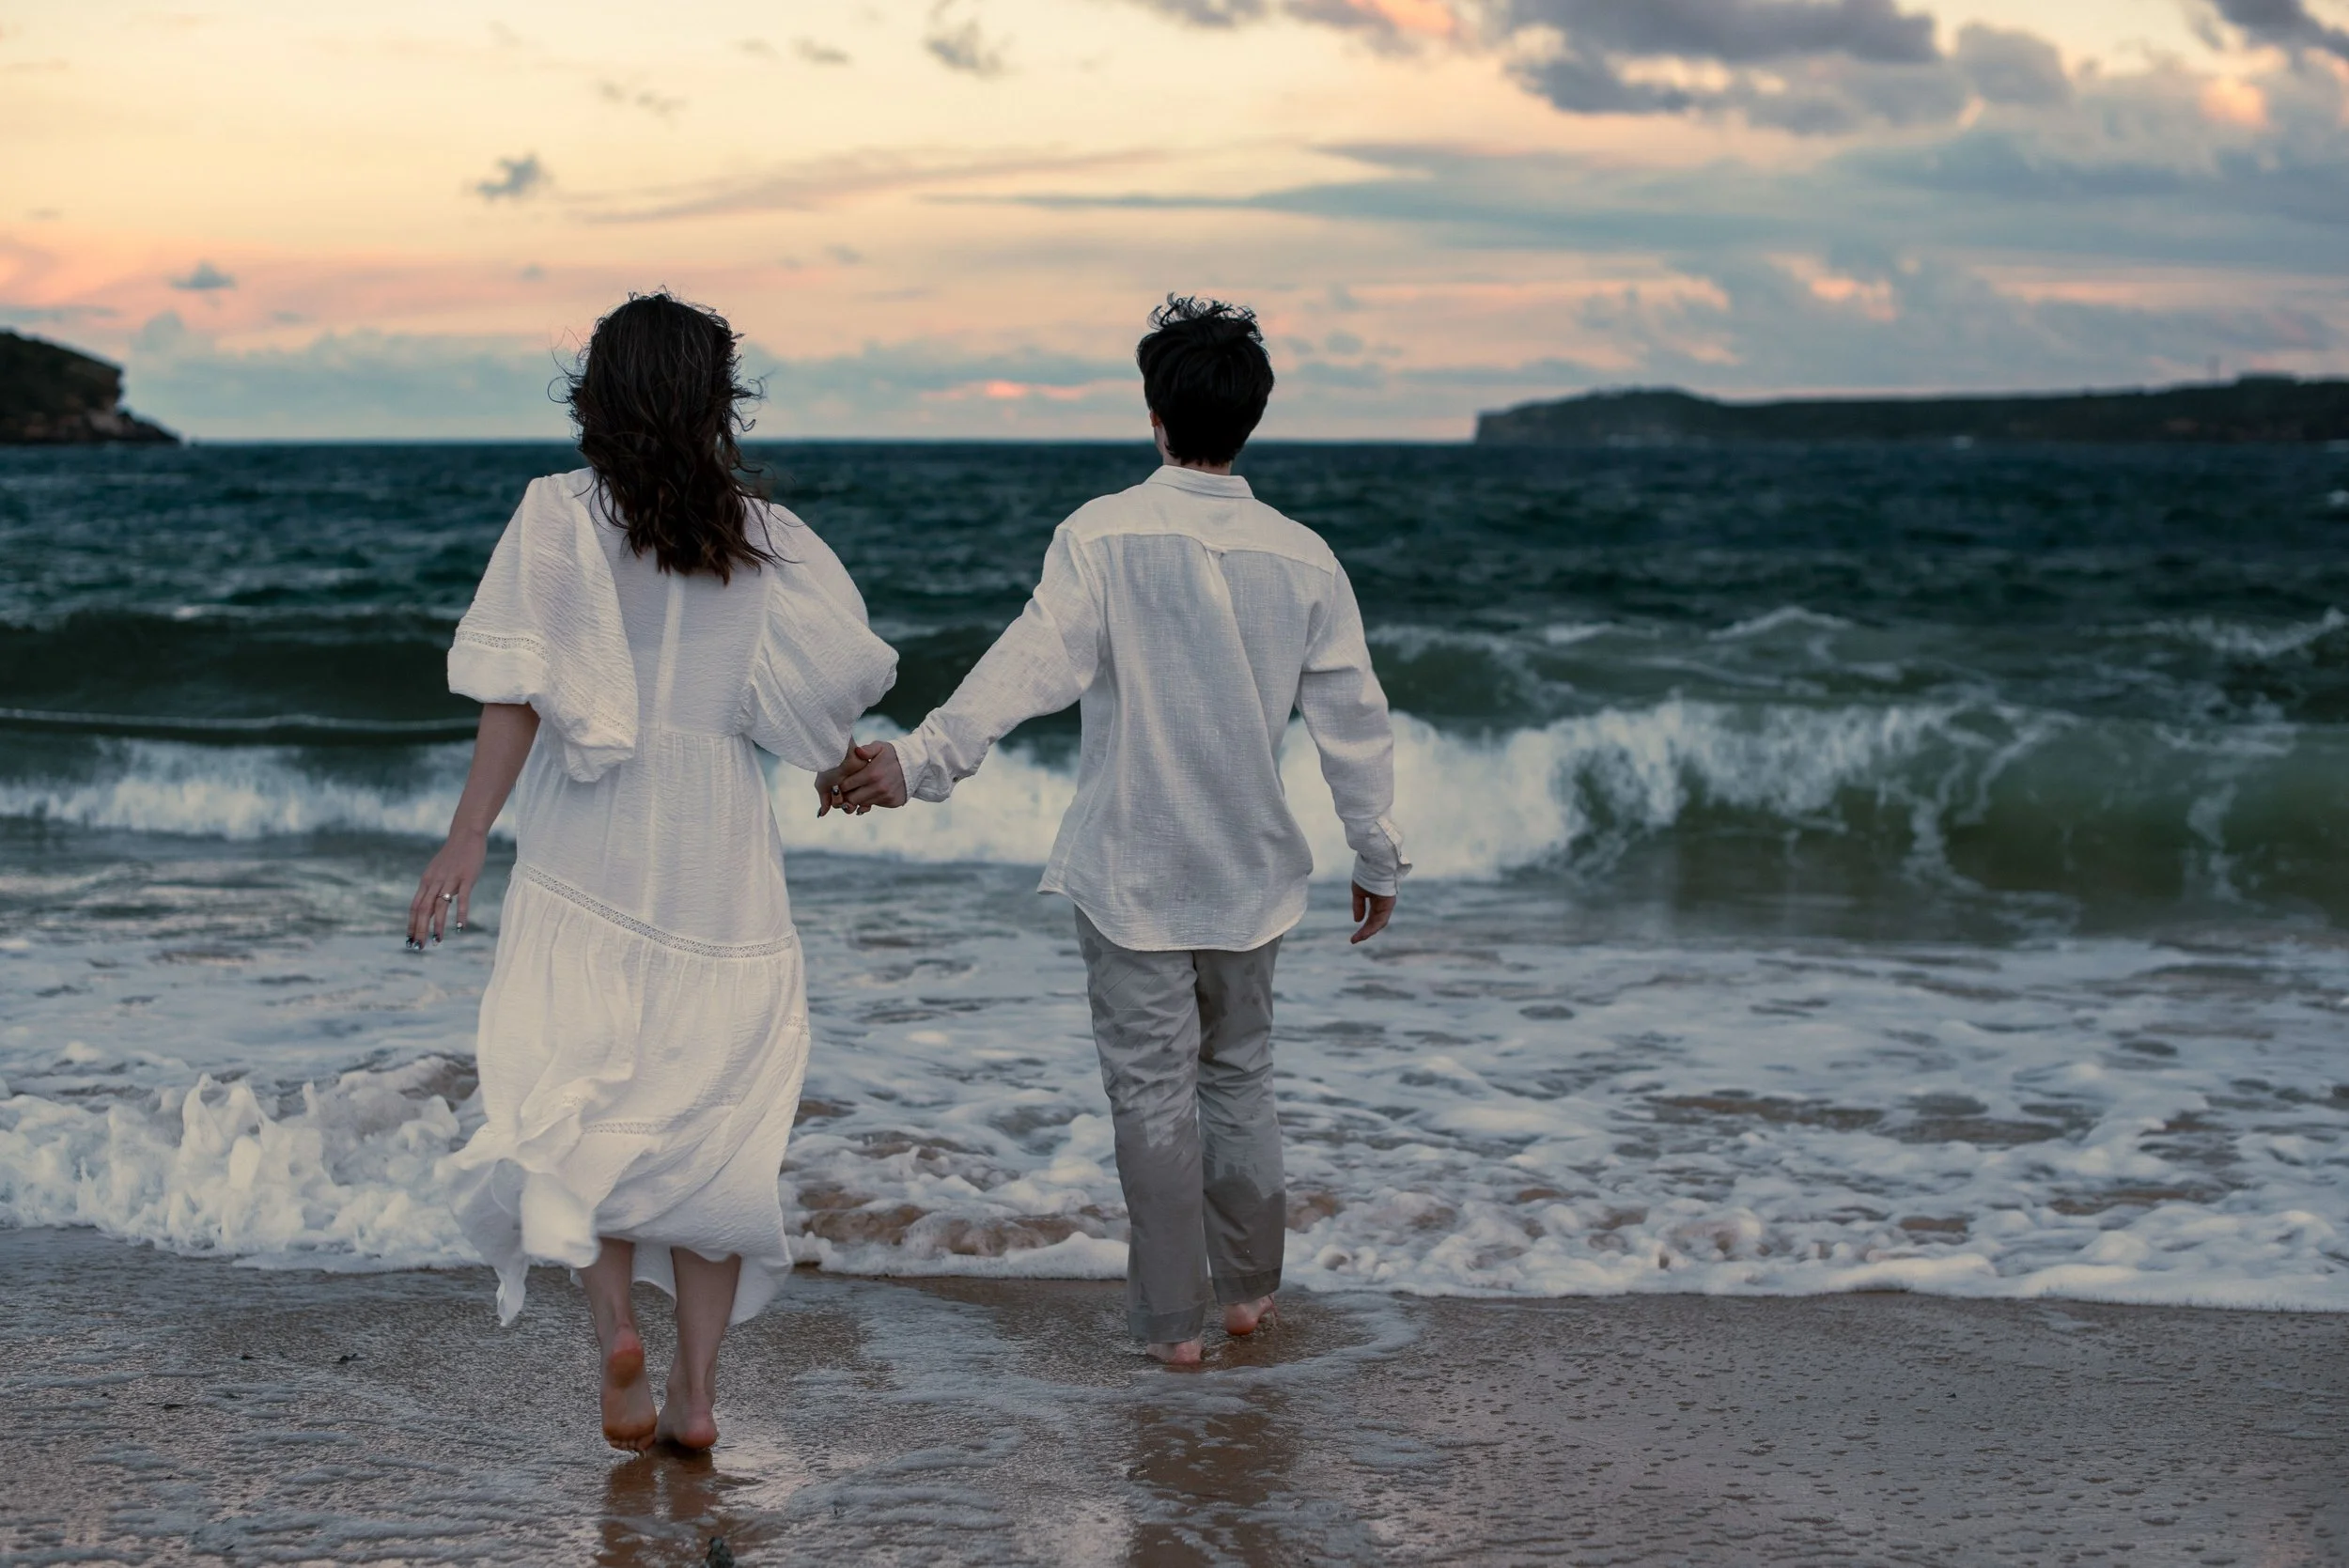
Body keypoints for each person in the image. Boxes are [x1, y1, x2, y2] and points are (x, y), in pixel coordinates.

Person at [832, 296, 1407, 1365]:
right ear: (1253, 416)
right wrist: (1375, 852)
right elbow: (1353, 719)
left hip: (1134, 866)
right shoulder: (1304, 556)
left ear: (1154, 412)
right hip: (1250, 870)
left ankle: (1171, 1326)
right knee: (1240, 1075)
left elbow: (1026, 667)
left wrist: (920, 760)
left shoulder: (1098, 536)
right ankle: (1245, 1297)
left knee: (1152, 1091)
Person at [406, 292, 895, 1452]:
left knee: (591, 1101)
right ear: (715, 398)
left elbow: (517, 688)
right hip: (718, 843)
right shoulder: (763, 536)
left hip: (591, 835)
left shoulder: (557, 516)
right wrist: (840, 767)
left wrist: (468, 831)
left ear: (599, 388)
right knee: (716, 1118)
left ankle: (618, 1326)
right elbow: (811, 694)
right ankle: (696, 1394)